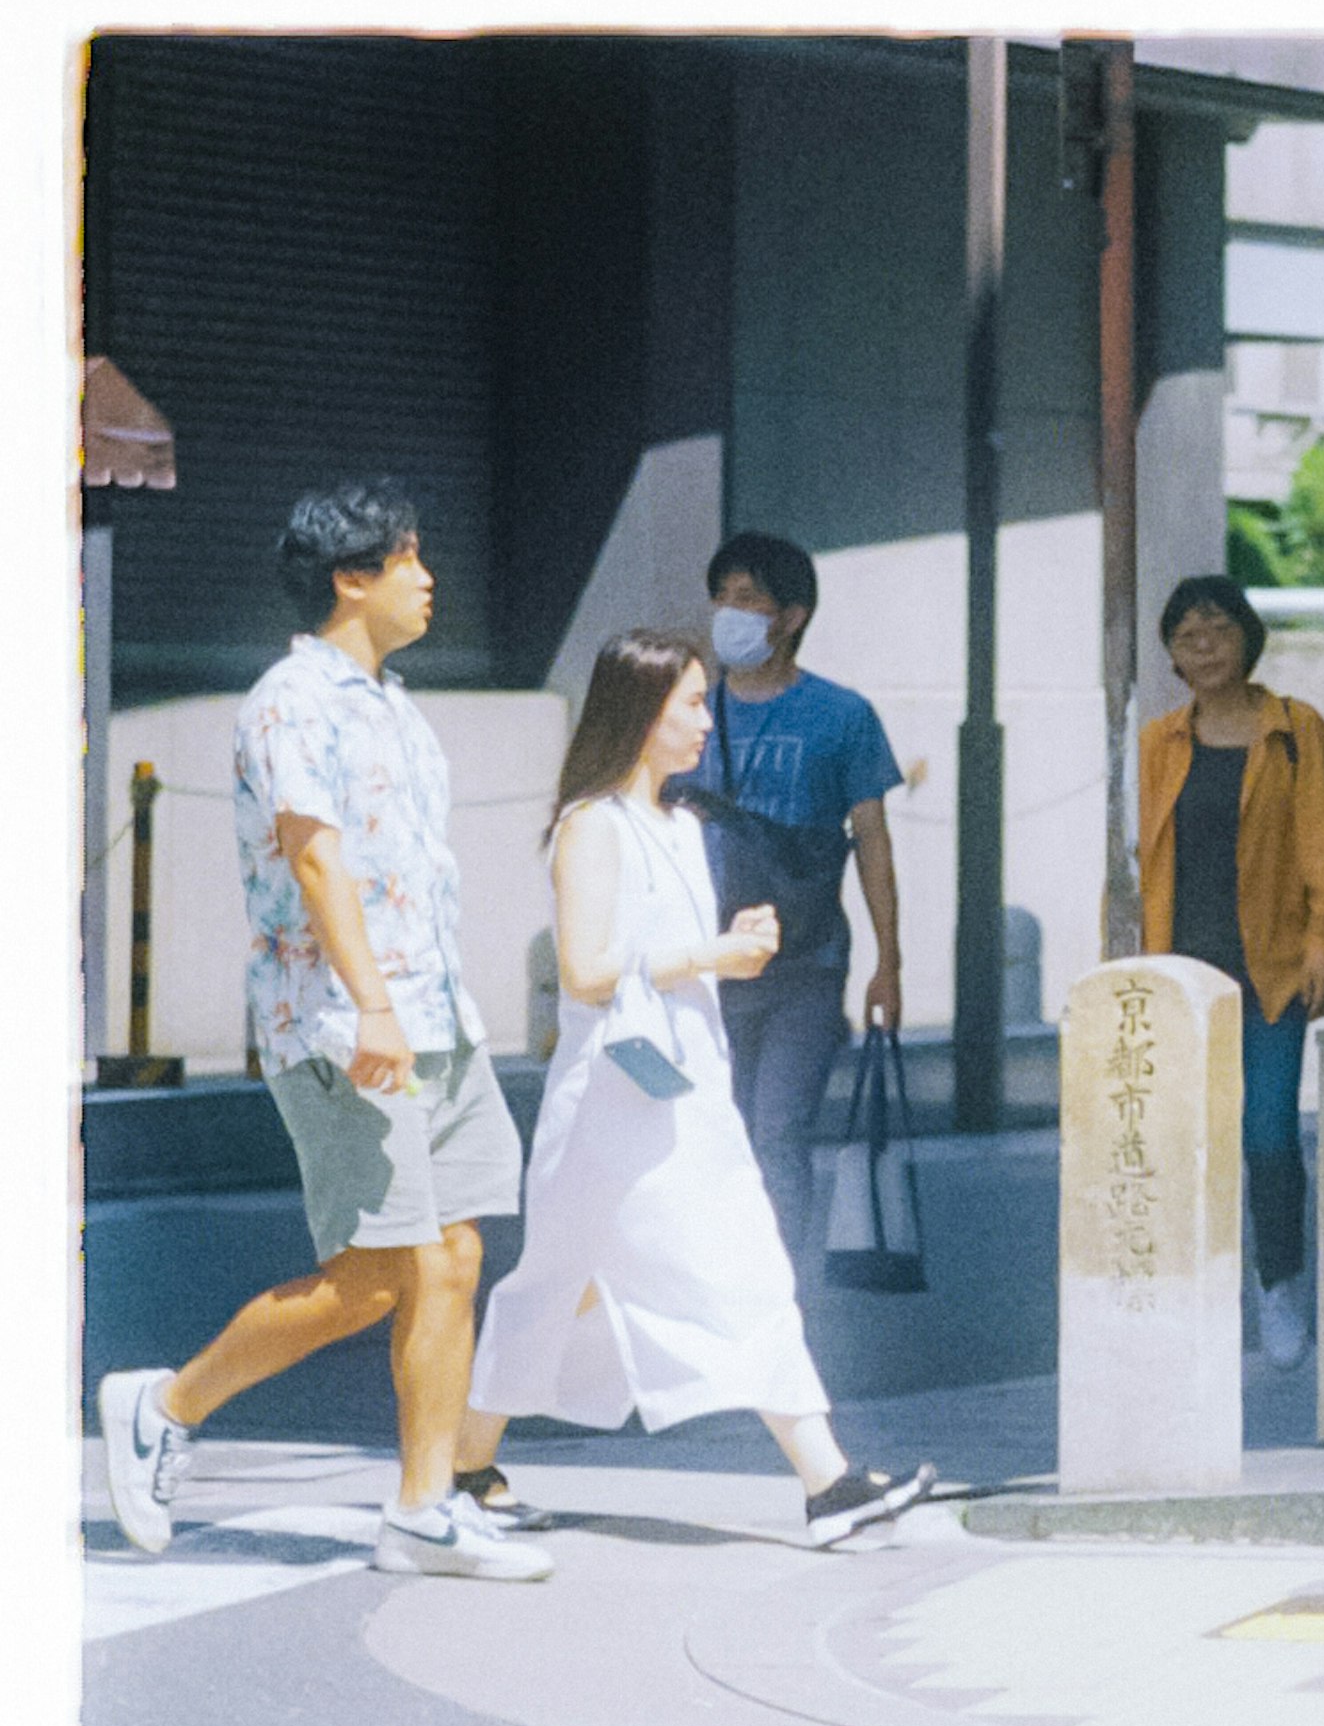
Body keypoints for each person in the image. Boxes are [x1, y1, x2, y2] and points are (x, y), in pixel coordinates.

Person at [94, 483, 546, 1580]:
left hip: (437, 1017)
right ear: (353, 578)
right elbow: (314, 857)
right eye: (409, 559)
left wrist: (423, 1004)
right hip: (345, 1022)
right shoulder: (292, 701)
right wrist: (376, 1003)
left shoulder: (394, 703)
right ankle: (164, 1404)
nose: (430, 578)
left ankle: (425, 1506)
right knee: (378, 1272)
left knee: (457, 1255)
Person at [454, 630, 932, 1549]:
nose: (708, 722)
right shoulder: (592, 823)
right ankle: (828, 1487)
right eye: (693, 704)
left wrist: (727, 946)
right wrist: (714, 954)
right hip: (616, 1105)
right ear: (642, 713)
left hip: (674, 1094)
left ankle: (467, 1466)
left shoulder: (679, 823)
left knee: (565, 1285)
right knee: (719, 1269)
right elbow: (587, 970)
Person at [1135, 573, 1324, 1367]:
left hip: (1270, 967)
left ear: (1247, 639)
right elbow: (1137, 858)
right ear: (1171, 653)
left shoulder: (1294, 730)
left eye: (1219, 631)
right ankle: (1203, 1286)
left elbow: (1322, 842)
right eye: (1187, 636)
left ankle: (1280, 1282)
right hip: (1179, 967)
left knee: (1265, 1135)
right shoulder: (1160, 741)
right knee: (1185, 1139)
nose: (1204, 646)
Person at [682, 531, 906, 1267]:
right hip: (702, 963)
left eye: (747, 599)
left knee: (778, 1132)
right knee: (710, 1133)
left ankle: (777, 1297)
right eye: (721, 597)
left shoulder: (841, 715)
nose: (728, 613)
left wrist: (889, 963)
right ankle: (720, 1285)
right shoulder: (686, 710)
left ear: (792, 616)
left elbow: (872, 838)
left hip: (805, 965)